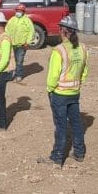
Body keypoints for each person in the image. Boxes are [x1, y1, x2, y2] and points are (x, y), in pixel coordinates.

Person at [38, 15, 88, 167]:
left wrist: (49, 89)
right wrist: (78, 84)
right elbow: (85, 70)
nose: (59, 31)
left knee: (60, 126)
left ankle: (57, 157)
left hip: (60, 93)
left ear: (64, 31)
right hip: (74, 92)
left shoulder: (59, 51)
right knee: (76, 123)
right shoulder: (83, 48)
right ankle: (79, 152)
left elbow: (53, 75)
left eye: (60, 29)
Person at [4, 4, 36, 83]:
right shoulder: (12, 19)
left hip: (22, 45)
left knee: (19, 61)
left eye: (20, 11)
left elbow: (31, 32)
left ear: (23, 12)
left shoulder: (27, 21)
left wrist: (27, 42)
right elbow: (6, 29)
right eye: (17, 10)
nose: (18, 12)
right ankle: (10, 75)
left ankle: (19, 75)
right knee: (10, 60)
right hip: (11, 44)